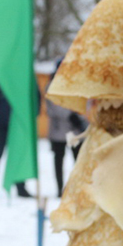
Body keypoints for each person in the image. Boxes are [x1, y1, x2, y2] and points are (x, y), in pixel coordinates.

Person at [0, 71, 33, 197]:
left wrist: (29, 115)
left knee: (18, 156)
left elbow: (33, 95)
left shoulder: (23, 70)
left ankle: (21, 186)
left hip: (19, 123)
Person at [46, 63, 85, 197]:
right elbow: (54, 106)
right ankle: (59, 188)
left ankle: (76, 188)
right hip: (59, 131)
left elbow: (83, 101)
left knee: (79, 161)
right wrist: (70, 115)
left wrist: (80, 116)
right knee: (59, 161)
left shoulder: (76, 82)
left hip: (75, 130)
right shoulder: (52, 86)